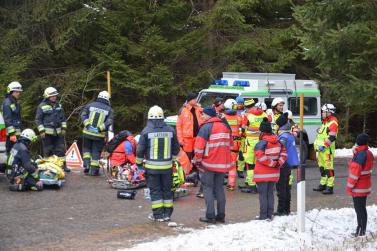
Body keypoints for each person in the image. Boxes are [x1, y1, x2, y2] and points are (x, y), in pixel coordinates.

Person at [136, 105, 179, 222]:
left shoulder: (146, 131)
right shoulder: (170, 130)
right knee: (167, 190)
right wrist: (173, 160)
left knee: (155, 191)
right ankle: (167, 214)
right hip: (167, 168)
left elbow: (140, 150)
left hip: (152, 169)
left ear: (149, 118)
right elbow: (176, 148)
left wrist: (139, 164)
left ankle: (158, 215)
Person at [193, 107, 233, 224]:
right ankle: (221, 215)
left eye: (203, 115)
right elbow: (230, 145)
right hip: (222, 164)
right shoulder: (225, 127)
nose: (202, 117)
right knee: (219, 188)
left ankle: (210, 216)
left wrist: (198, 161)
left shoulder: (206, 128)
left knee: (208, 189)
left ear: (209, 116)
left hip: (208, 164)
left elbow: (199, 148)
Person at [254, 118, 287, 221]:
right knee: (270, 194)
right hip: (274, 174)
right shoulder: (278, 142)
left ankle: (263, 216)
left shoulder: (262, 143)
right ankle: (270, 214)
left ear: (262, 131)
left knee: (263, 195)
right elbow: (284, 153)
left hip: (262, 174)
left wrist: (272, 164)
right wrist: (278, 163)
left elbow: (260, 157)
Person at [35, 87, 70, 172]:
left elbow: (63, 118)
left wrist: (64, 128)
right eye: (52, 96)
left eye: (55, 95)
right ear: (47, 96)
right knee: (47, 151)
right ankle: (47, 168)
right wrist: (41, 130)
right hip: (46, 134)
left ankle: (63, 166)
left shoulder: (59, 105)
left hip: (58, 133)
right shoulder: (42, 106)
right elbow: (38, 119)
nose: (54, 97)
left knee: (61, 150)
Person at [347, 133, 374, 237]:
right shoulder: (368, 153)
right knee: (362, 209)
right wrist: (356, 153)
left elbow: (354, 174)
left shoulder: (360, 155)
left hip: (358, 187)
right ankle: (362, 230)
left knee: (359, 210)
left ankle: (360, 231)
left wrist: (349, 187)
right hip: (365, 185)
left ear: (358, 143)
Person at [81, 91, 113, 176]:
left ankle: (86, 165)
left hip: (87, 133)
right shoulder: (109, 109)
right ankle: (93, 171)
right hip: (98, 135)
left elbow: (83, 115)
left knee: (86, 150)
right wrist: (100, 129)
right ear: (107, 99)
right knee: (96, 152)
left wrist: (87, 125)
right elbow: (109, 121)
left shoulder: (90, 105)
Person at [240, 99, 267, 193]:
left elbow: (243, 130)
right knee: (260, 163)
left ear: (247, 107)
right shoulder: (264, 114)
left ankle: (252, 186)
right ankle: (259, 184)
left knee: (250, 164)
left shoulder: (247, 116)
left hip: (250, 143)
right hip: (262, 142)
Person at [275, 112, 299, 216]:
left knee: (282, 188)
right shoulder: (289, 135)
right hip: (289, 164)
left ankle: (281, 210)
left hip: (284, 164)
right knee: (286, 187)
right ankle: (287, 209)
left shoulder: (283, 137)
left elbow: (279, 150)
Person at [313, 104, 338, 194]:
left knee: (329, 168)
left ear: (329, 112)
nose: (322, 113)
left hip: (327, 151)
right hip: (320, 150)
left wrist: (323, 146)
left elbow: (332, 137)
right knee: (322, 168)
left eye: (324, 112)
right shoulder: (325, 122)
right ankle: (323, 184)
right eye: (322, 111)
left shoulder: (333, 123)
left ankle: (330, 187)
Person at [223, 99, 242, 191]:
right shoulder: (239, 117)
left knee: (220, 163)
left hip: (224, 143)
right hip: (235, 144)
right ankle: (231, 184)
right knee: (233, 165)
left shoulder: (222, 117)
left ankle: (219, 183)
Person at [176, 93, 202, 160]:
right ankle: (187, 170)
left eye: (196, 98)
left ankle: (194, 168)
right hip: (187, 139)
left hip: (197, 137)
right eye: (194, 99)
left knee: (196, 154)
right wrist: (180, 140)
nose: (196, 100)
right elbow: (178, 126)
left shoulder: (198, 109)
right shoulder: (183, 110)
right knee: (187, 156)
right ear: (189, 100)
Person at [2, 81, 23, 154]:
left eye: (19, 92)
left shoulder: (15, 102)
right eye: (16, 92)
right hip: (11, 135)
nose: (18, 93)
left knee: (16, 152)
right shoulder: (7, 103)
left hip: (16, 133)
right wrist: (12, 134)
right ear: (11, 91)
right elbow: (7, 120)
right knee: (11, 152)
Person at [236, 96, 246, 178]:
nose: (240, 105)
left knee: (241, 154)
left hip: (242, 136)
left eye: (241, 103)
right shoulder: (233, 112)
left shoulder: (245, 113)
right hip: (234, 136)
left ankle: (240, 170)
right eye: (238, 103)